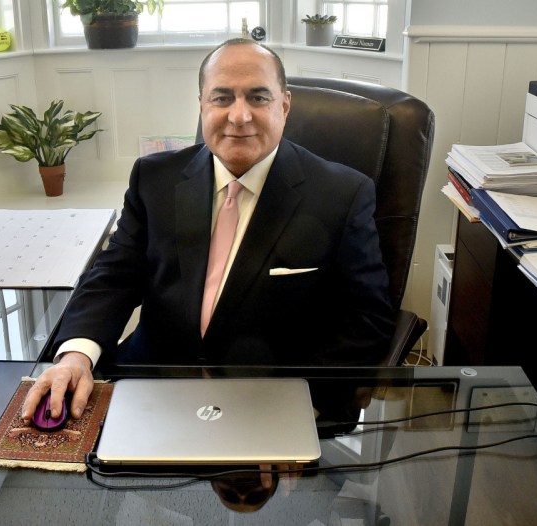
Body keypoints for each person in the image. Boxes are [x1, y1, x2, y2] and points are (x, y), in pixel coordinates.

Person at [22, 38, 395, 426]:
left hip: (271, 401)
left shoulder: (342, 194)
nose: (239, 116)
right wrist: (77, 355)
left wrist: (296, 404)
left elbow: (367, 320)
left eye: (257, 98)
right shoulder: (155, 179)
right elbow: (114, 275)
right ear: (201, 104)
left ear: (284, 105)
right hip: (152, 387)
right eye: (221, 98)